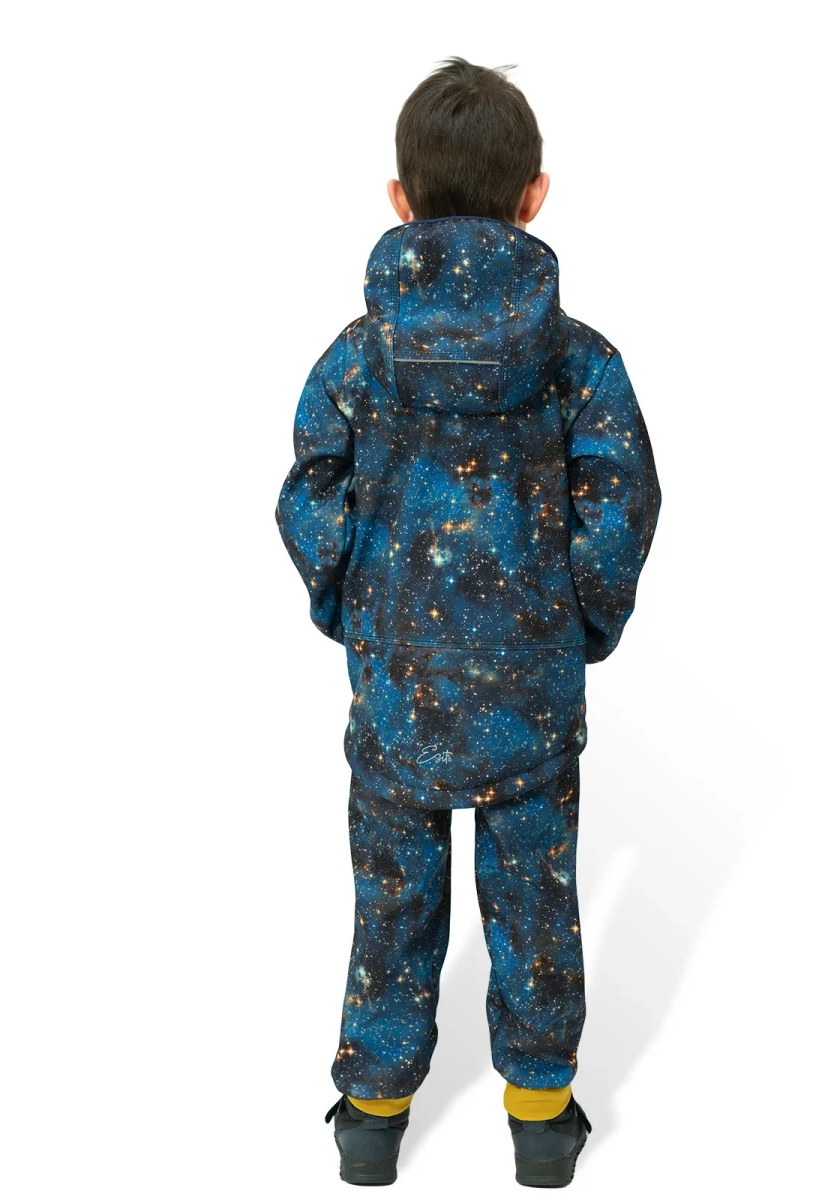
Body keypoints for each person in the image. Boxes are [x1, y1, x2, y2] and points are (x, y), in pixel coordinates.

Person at [276, 56, 661, 1187]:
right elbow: (623, 502)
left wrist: (352, 611)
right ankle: (540, 1120)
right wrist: (580, 624)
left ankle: (371, 1119)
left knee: (393, 899)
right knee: (535, 904)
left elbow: (310, 492)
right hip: (532, 697)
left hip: (398, 695)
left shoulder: (357, 358)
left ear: (399, 200)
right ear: (535, 195)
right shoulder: (581, 363)